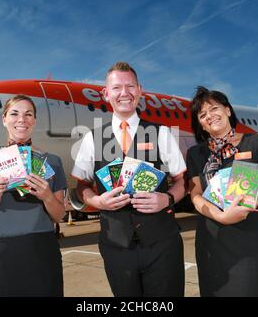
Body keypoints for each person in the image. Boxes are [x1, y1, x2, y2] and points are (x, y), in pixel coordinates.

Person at [72, 62, 186, 297]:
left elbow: (182, 182)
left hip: (162, 244)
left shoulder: (162, 133)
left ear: (140, 90)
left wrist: (167, 199)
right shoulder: (92, 139)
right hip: (116, 246)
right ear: (106, 93)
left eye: (130, 86)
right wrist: (98, 201)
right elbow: (81, 187)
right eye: (116, 88)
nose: (124, 93)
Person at [186, 86, 258, 297]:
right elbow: (195, 195)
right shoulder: (195, 153)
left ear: (227, 110)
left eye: (214, 108)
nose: (210, 116)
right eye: (202, 114)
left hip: (250, 244)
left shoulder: (257, 144)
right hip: (211, 243)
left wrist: (257, 201)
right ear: (200, 123)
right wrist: (220, 216)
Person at [0, 94, 67, 297]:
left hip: (42, 250)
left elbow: (59, 216)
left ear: (34, 121)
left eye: (28, 114)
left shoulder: (53, 162)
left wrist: (47, 196)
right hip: (1, 255)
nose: (21, 119)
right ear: (4, 119)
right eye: (14, 114)